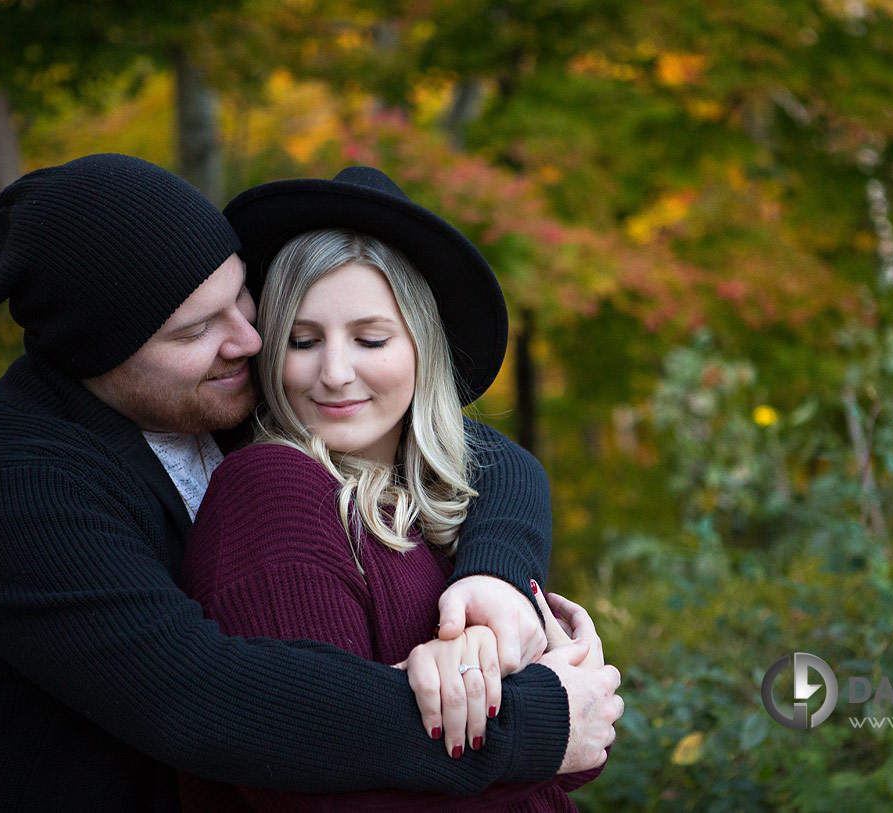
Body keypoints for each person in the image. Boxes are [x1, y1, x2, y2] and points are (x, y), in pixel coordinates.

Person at [0, 154, 622, 811]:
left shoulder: (220, 392)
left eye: (241, 295)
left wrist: (494, 579)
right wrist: (537, 721)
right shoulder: (14, 484)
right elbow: (205, 697)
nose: (250, 339)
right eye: (197, 328)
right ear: (94, 356)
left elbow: (481, 453)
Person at [180, 166, 611, 810]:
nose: (334, 373)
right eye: (301, 341)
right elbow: (301, 788)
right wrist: (547, 713)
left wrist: (513, 668)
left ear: (421, 347)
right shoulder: (273, 492)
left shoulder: (445, 500)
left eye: (370, 338)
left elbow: (568, 756)